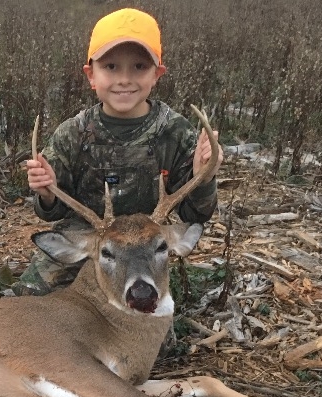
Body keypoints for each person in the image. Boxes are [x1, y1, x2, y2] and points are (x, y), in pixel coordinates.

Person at [15, 7, 223, 295]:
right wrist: (48, 194)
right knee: (30, 297)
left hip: (147, 244)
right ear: (91, 75)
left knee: (150, 327)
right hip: (90, 238)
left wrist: (204, 176)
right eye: (111, 67)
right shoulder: (72, 133)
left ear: (157, 75)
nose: (124, 79)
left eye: (139, 67)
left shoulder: (176, 131)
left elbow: (195, 213)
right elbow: (52, 213)